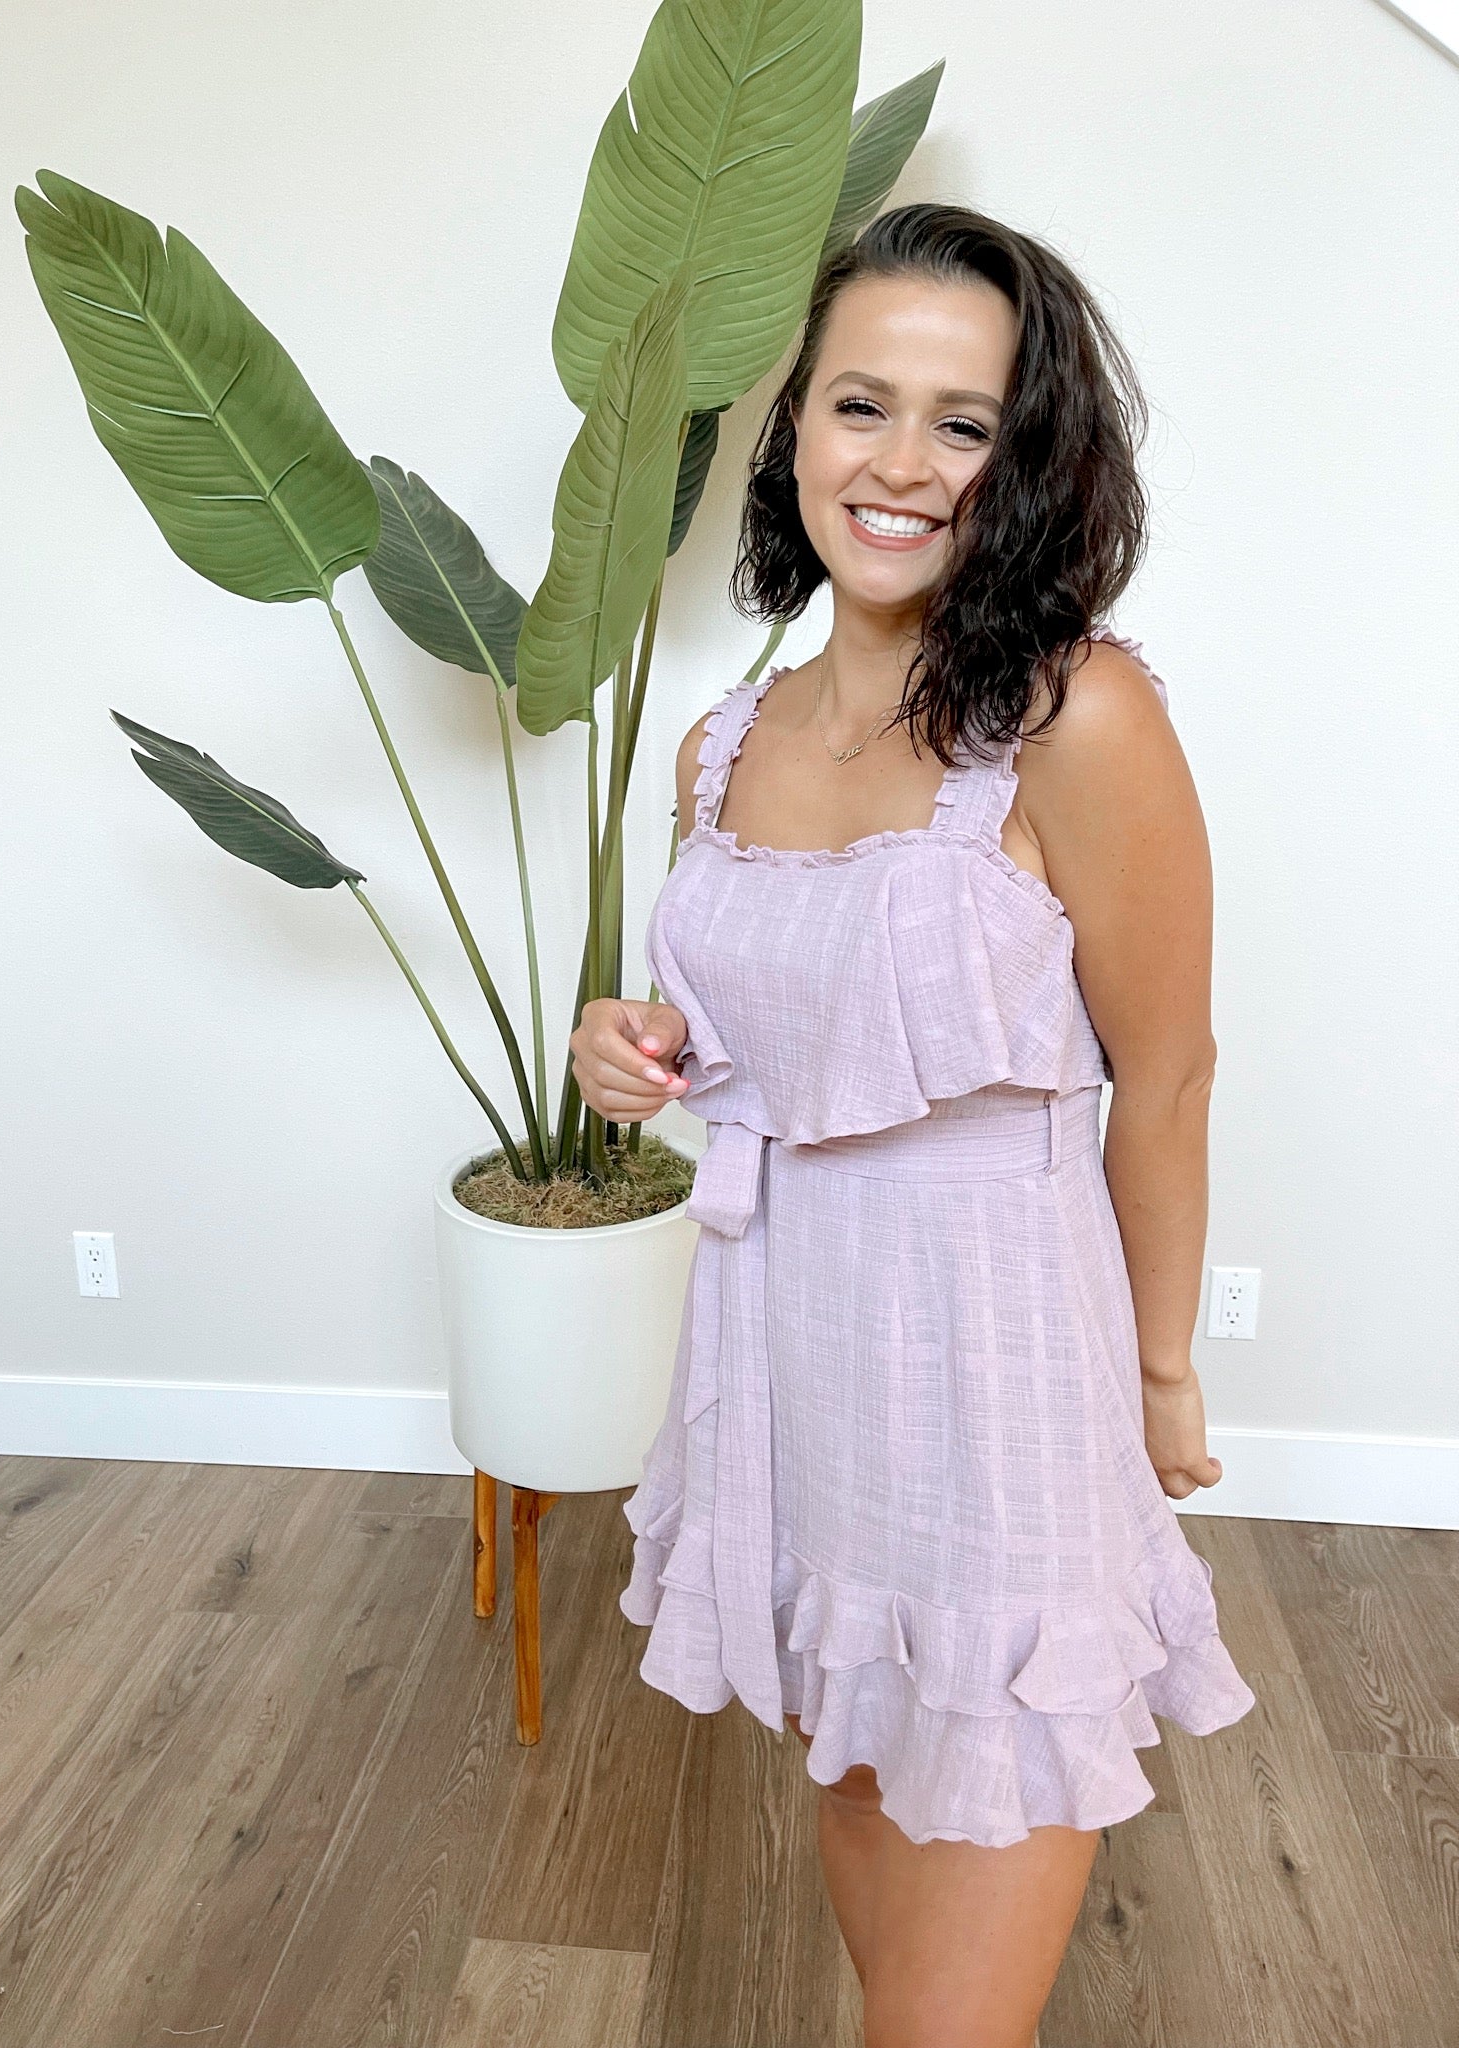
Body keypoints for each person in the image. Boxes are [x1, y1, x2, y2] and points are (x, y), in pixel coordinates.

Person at [569, 203, 1256, 2048]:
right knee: (866, 1768)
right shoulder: (728, 740)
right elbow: (778, 1032)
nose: (898, 463)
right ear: (796, 423)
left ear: (1028, 463)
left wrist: (1162, 1373)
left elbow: (1167, 1075)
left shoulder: (1078, 716)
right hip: (786, 1338)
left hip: (994, 1343)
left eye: (964, 424)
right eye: (861, 403)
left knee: (954, 1958)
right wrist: (635, 1043)